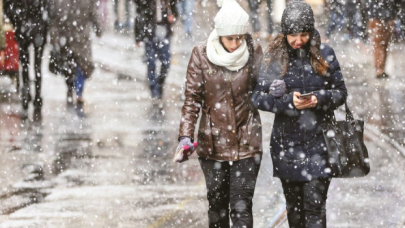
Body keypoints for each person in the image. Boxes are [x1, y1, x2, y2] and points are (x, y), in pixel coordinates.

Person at [176, 0, 282, 226]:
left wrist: (273, 88)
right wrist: (186, 136)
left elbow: (262, 86)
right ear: (220, 34)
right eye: (230, 38)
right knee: (217, 205)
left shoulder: (253, 50)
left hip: (247, 139)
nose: (235, 44)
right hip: (212, 142)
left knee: (241, 206)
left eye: (239, 37)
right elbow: (192, 99)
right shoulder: (201, 54)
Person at [253, 2, 348, 227]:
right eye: (292, 35)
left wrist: (319, 99)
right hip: (287, 147)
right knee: (295, 213)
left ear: (311, 32)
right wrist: (288, 102)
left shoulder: (325, 54)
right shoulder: (274, 58)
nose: (297, 40)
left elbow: (341, 93)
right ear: (284, 33)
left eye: (303, 35)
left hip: (321, 145)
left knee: (314, 210)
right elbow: (258, 97)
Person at [49, 0, 102, 111]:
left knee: (79, 65)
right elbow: (56, 19)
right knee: (75, 65)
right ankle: (76, 90)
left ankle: (76, 90)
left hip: (74, 37)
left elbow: (55, 19)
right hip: (72, 37)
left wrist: (98, 27)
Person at [3, 0, 48, 121]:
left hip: (25, 27)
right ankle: (36, 97)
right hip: (36, 28)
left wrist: (17, 21)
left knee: (26, 65)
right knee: (35, 66)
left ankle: (27, 95)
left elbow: (8, 6)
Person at [134, 0, 178, 106]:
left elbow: (175, 9)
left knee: (166, 62)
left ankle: (160, 83)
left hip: (164, 31)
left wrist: (173, 16)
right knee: (151, 62)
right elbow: (139, 14)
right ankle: (154, 91)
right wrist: (138, 36)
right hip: (149, 32)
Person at [366, 0, 400, 78]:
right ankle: (379, 68)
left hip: (387, 13)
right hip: (376, 14)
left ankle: (381, 68)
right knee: (378, 43)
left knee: (385, 43)